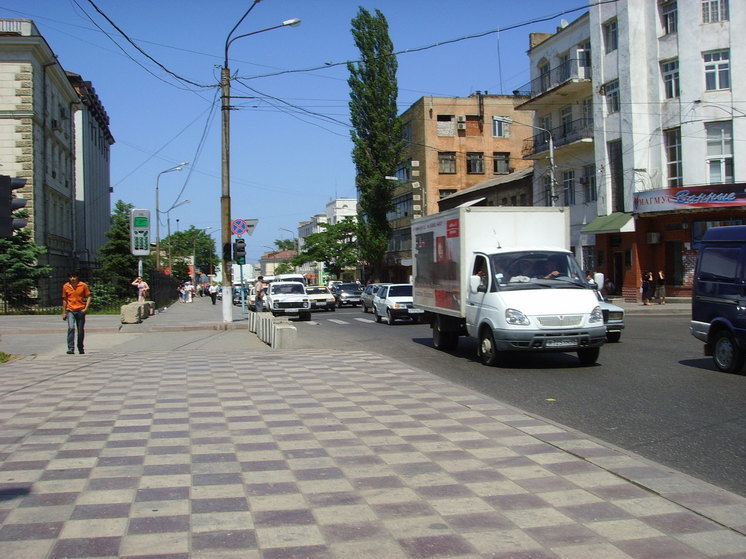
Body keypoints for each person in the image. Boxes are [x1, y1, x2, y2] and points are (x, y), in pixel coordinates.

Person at [62, 271, 92, 355]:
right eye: (71, 277)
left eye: (74, 277)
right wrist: (64, 312)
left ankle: (80, 347)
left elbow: (89, 296)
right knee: (71, 327)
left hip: (80, 310)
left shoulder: (83, 285)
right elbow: (64, 299)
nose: (72, 279)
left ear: (77, 277)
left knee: (80, 330)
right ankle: (71, 348)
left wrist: (86, 308)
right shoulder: (66, 286)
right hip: (70, 310)